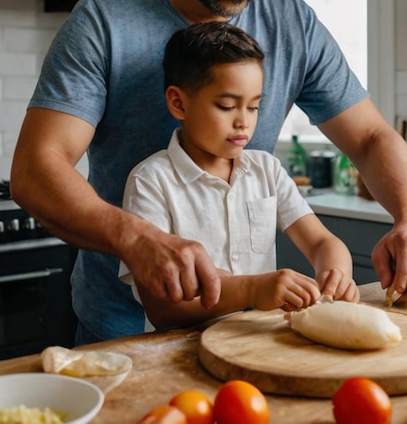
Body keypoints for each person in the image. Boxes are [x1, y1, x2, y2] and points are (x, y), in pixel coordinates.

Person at [10, 0, 407, 345]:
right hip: (127, 333)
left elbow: (369, 137)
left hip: (252, 339)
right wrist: (137, 238)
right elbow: (37, 167)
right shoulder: (103, 23)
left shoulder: (294, 25)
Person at [119, 21, 359, 332]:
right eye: (227, 106)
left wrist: (336, 273)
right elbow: (162, 310)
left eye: (254, 107)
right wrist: (251, 290)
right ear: (179, 102)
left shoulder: (266, 170)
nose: (243, 122)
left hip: (258, 346)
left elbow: (322, 242)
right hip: (180, 355)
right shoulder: (151, 182)